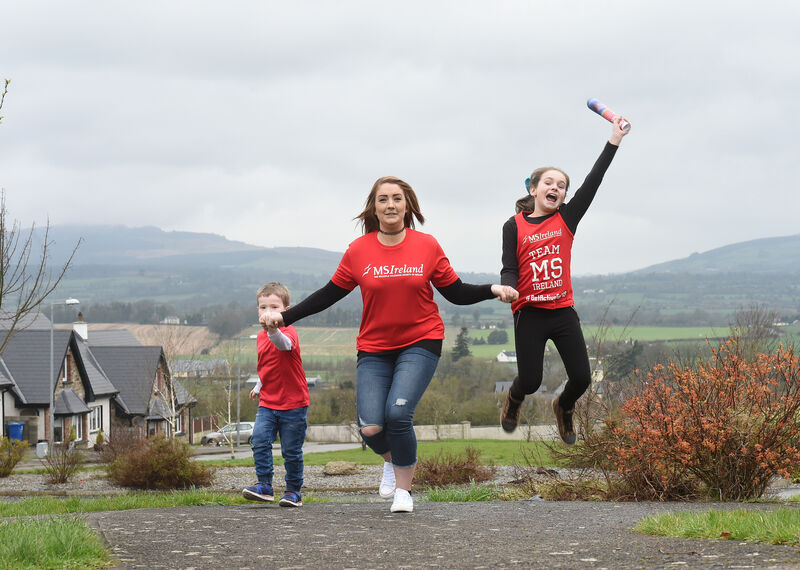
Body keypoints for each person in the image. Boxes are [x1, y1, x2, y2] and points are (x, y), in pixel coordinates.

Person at [263, 176, 517, 513]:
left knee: (397, 415)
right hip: (374, 347)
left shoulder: (426, 245)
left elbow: (455, 292)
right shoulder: (359, 251)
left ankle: (404, 492)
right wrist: (287, 317)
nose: (391, 205)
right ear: (374, 208)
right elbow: (329, 294)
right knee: (370, 426)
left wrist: (491, 289)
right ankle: (393, 461)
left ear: (407, 205)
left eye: (397, 198)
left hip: (421, 341)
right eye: (383, 200)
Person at [499, 116, 630, 444]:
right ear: (533, 188)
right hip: (529, 313)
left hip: (562, 311)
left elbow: (594, 180)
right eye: (548, 183)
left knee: (583, 378)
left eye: (561, 185)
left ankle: (564, 405)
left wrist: (614, 139)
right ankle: (514, 397)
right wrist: (508, 286)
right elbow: (509, 266)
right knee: (530, 381)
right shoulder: (514, 226)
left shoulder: (567, 219)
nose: (555, 187)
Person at [242, 282, 309, 507]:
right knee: (260, 440)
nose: (268, 312)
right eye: (263, 307)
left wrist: (273, 328)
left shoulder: (289, 332)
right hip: (269, 402)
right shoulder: (261, 337)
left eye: (274, 307)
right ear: (257, 311)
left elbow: (283, 346)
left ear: (286, 311)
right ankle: (264, 486)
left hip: (294, 403)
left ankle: (293, 492)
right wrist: (259, 386)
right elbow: (269, 364)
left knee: (291, 451)